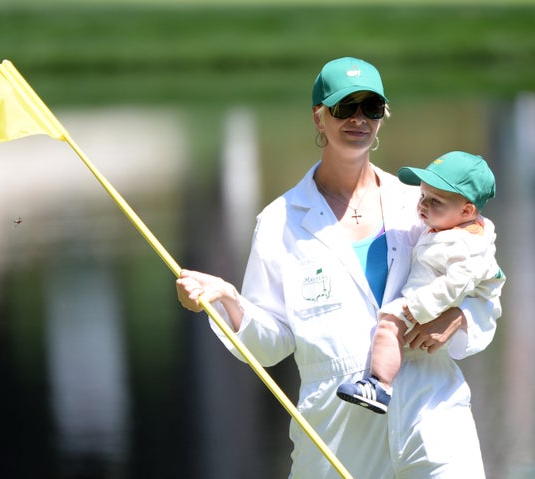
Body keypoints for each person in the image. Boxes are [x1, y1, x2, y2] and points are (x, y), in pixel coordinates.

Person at [175, 57, 501, 479]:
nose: (359, 119)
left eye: (371, 107)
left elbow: (484, 294)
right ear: (318, 116)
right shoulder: (281, 220)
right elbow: (269, 343)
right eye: (345, 107)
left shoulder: (418, 203)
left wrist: (458, 318)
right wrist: (225, 300)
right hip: (338, 437)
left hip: (435, 421)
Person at [336, 151, 505, 414]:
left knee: (388, 326)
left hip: (423, 307)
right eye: (423, 196)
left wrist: (422, 307)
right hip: (421, 308)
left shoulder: (465, 243)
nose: (423, 206)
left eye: (435, 201)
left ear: (467, 210)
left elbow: (458, 282)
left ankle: (380, 385)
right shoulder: (445, 226)